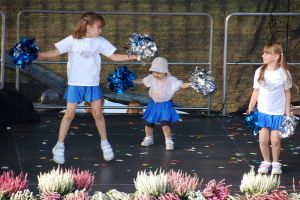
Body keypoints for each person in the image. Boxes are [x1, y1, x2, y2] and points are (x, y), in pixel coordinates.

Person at [38, 12, 137, 164]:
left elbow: (114, 56)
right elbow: (54, 52)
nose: (101, 31)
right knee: (69, 114)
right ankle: (59, 146)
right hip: (75, 84)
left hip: (92, 85)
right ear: (89, 27)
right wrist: (38, 55)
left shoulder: (100, 41)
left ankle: (105, 144)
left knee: (98, 114)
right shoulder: (72, 40)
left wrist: (133, 56)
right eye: (99, 27)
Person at [248, 42, 292, 175]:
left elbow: (287, 92)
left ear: (277, 56)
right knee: (263, 140)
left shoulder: (284, 73)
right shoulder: (259, 71)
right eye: (263, 53)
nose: (263, 55)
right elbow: (256, 91)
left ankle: (275, 163)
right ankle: (266, 161)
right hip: (263, 112)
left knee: (275, 140)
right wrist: (251, 105)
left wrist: (287, 112)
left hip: (277, 113)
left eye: (267, 53)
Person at [134, 57, 190, 150]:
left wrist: (192, 84)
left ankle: (169, 141)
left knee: (165, 124)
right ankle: (149, 138)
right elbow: (141, 81)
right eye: (154, 72)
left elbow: (181, 85)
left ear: (165, 72)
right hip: (153, 103)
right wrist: (131, 81)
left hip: (165, 104)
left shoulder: (171, 80)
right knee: (148, 122)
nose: (156, 74)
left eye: (158, 73)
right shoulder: (151, 78)